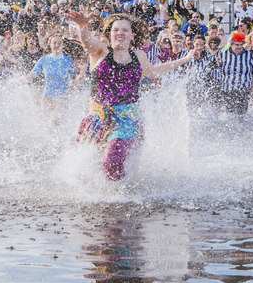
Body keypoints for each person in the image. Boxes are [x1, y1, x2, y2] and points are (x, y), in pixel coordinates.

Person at [67, 11, 193, 182]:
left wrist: (184, 60)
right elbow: (87, 42)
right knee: (88, 168)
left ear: (132, 35)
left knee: (111, 160)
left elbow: (153, 72)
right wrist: (83, 26)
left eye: (125, 30)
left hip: (127, 121)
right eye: (116, 30)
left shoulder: (138, 55)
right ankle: (101, 195)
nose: (120, 33)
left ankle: (118, 197)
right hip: (96, 119)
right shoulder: (100, 51)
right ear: (109, 34)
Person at [29, 34, 77, 121]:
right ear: (50, 44)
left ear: (63, 45)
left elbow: (73, 78)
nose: (57, 45)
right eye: (54, 43)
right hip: (47, 95)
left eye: (60, 43)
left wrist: (69, 91)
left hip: (62, 96)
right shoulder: (44, 60)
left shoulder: (68, 60)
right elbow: (31, 76)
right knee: (48, 125)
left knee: (54, 120)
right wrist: (17, 82)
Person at [215, 32, 253, 115]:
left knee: (241, 113)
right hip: (228, 88)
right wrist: (217, 63)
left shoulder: (248, 54)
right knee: (230, 113)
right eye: (237, 45)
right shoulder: (223, 54)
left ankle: (242, 127)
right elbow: (216, 66)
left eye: (241, 44)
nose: (239, 47)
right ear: (231, 44)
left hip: (244, 88)